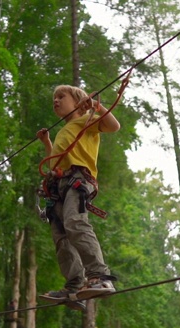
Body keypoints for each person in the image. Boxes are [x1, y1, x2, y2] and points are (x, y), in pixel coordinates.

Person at [36, 85, 120, 310]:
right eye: (54, 98)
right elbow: (55, 162)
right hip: (59, 188)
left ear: (77, 101)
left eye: (61, 97)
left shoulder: (86, 121)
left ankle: (99, 276)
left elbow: (114, 126)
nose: (56, 101)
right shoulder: (65, 129)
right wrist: (47, 144)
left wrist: (96, 106)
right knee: (61, 237)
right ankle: (74, 285)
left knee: (75, 223)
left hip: (78, 181)